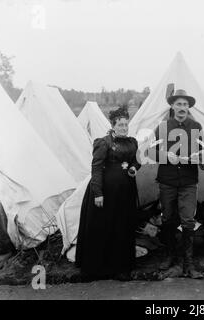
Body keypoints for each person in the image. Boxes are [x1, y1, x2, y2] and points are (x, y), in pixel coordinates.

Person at [75, 107, 141, 281]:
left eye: (126, 124)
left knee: (122, 228)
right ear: (113, 125)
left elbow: (136, 160)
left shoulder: (132, 142)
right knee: (102, 228)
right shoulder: (104, 143)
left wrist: (134, 167)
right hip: (105, 193)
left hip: (125, 193)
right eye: (120, 125)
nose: (124, 128)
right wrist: (97, 193)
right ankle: (95, 269)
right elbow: (96, 168)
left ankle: (120, 268)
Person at [151, 89, 204, 279]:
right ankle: (169, 256)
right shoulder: (163, 127)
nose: (182, 108)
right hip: (167, 180)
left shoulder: (196, 126)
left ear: (189, 107)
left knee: (188, 220)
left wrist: (199, 158)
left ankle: (189, 263)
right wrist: (166, 155)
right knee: (168, 218)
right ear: (172, 106)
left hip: (188, 181)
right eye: (179, 104)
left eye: (185, 105)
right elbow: (151, 152)